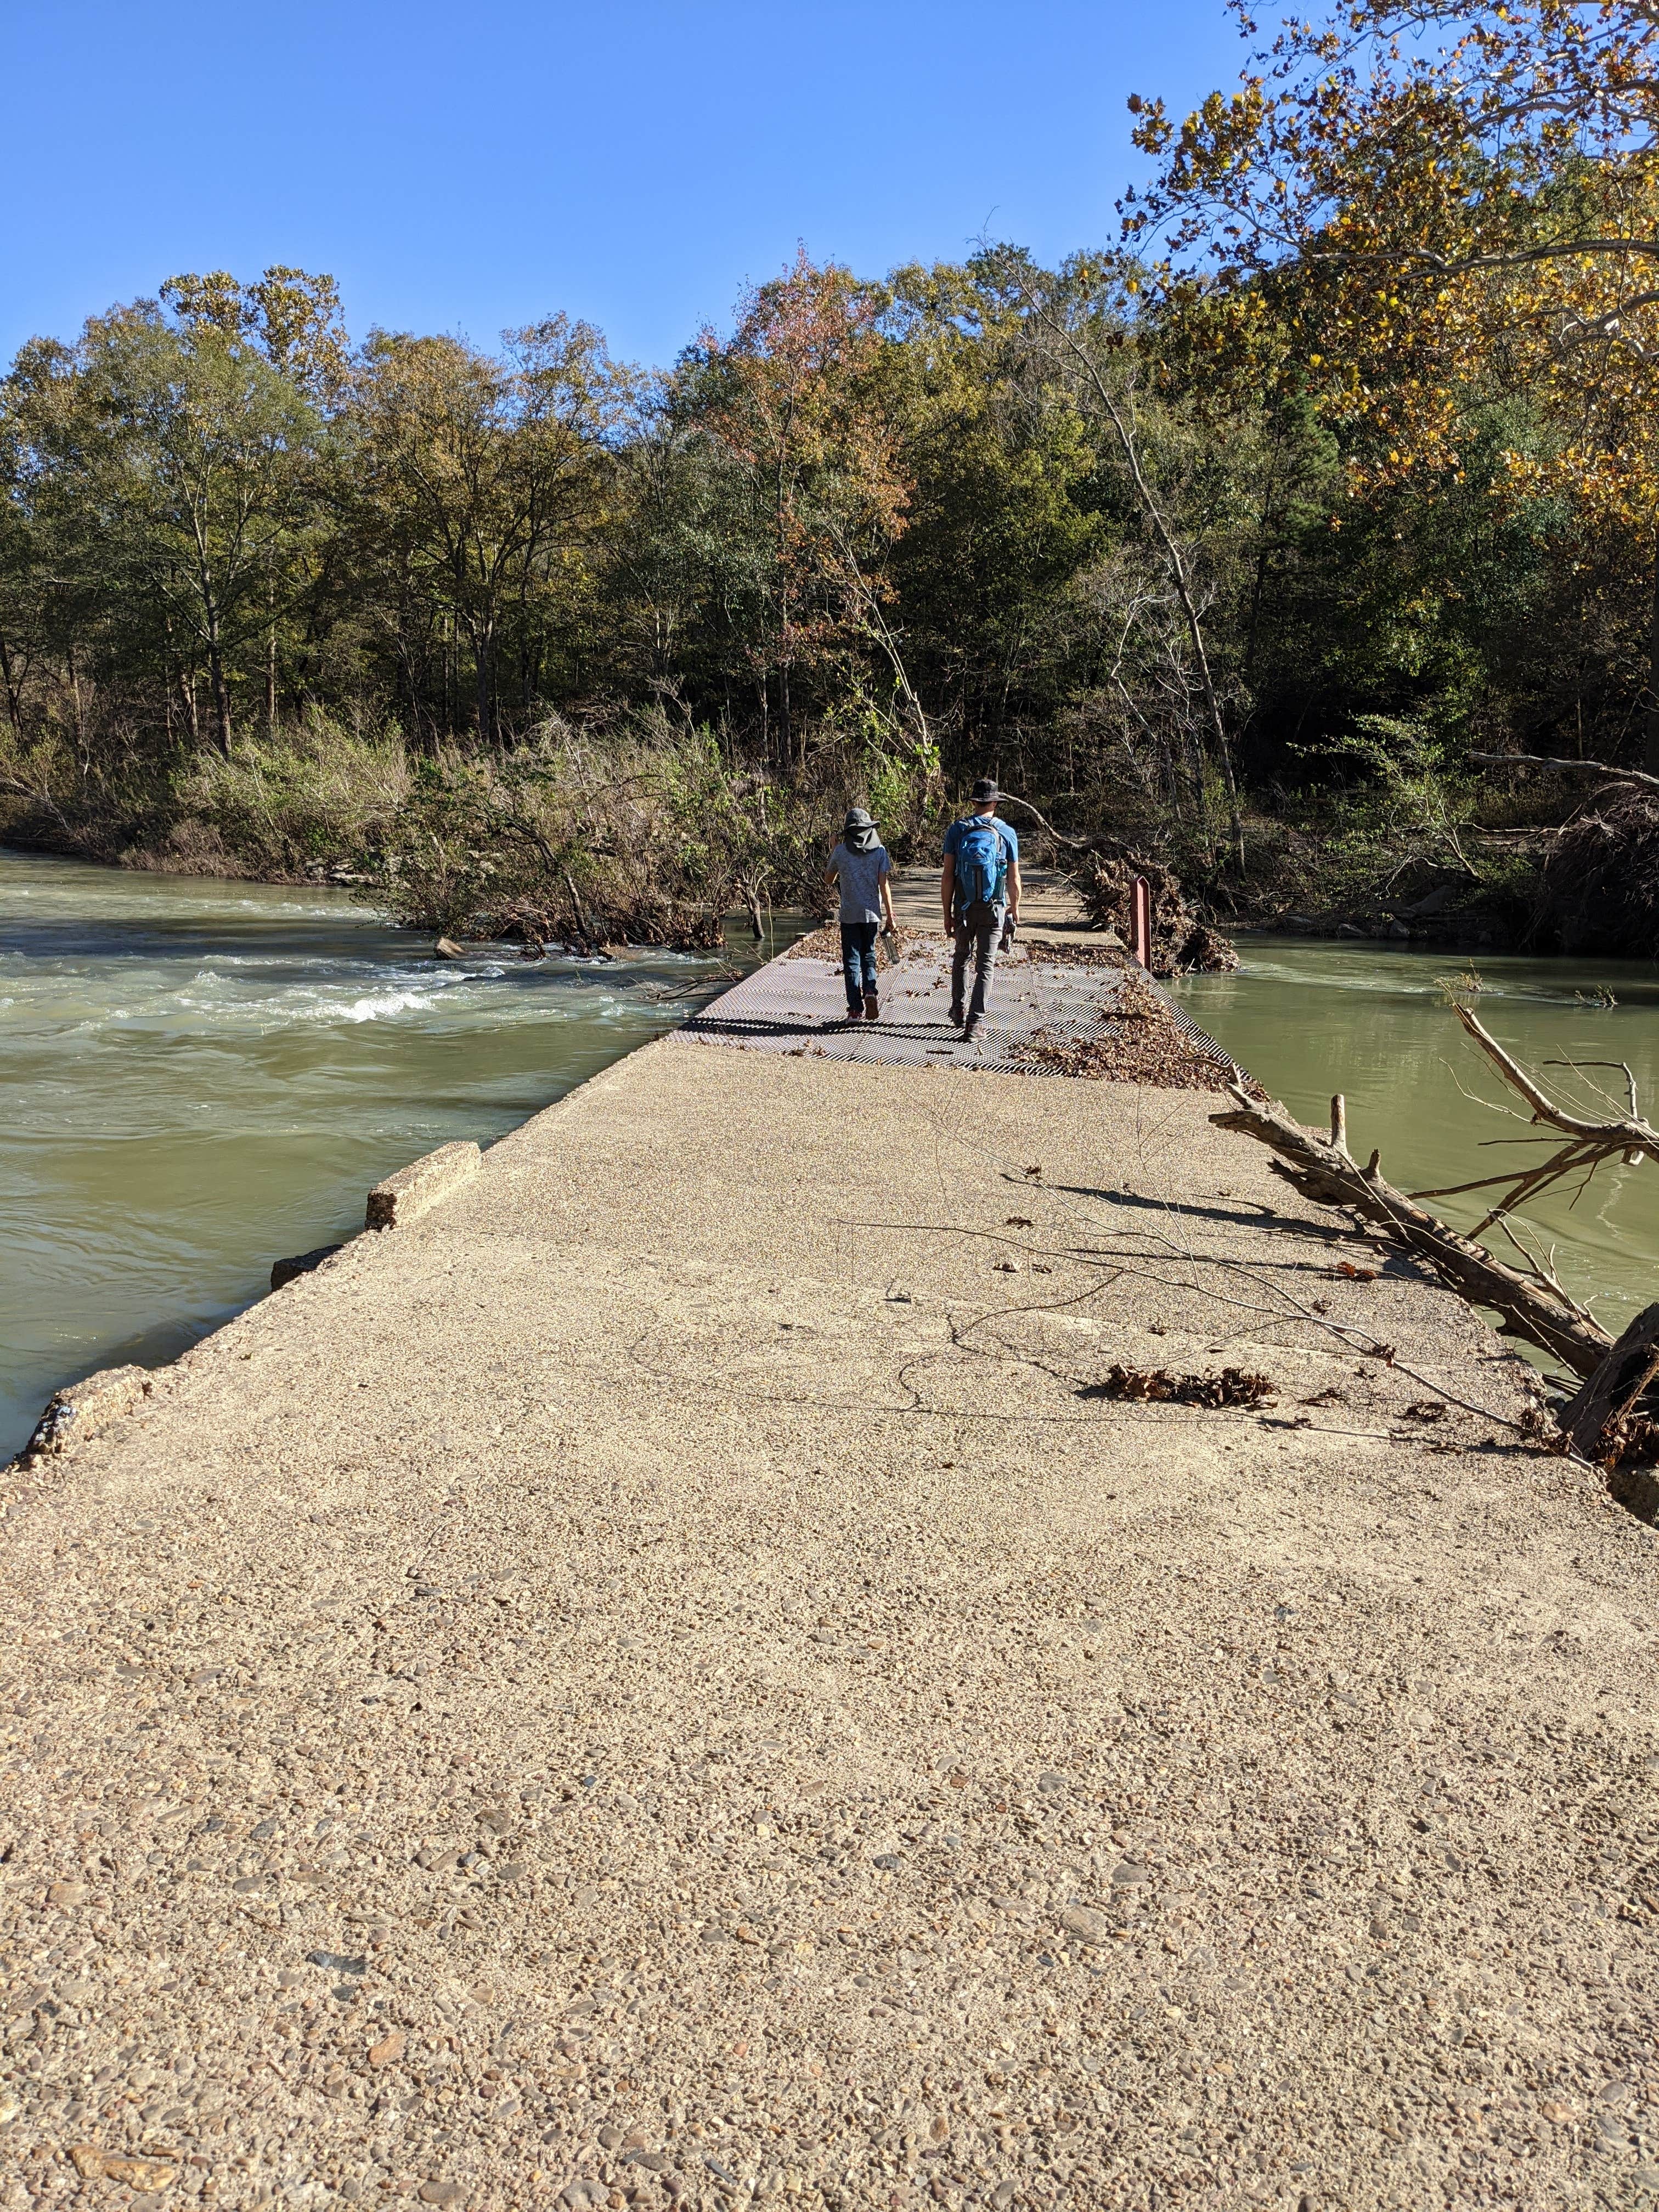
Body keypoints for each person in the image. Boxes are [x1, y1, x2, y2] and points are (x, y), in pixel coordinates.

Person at [941, 777, 1022, 1038]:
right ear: (996, 803)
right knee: (985, 965)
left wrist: (947, 914)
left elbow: (948, 875)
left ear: (974, 802)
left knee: (962, 957)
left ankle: (957, 1009)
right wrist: (1016, 907)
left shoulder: (957, 830)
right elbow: (1014, 878)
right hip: (994, 907)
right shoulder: (1007, 833)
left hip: (963, 907)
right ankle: (975, 1024)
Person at [825, 806, 895, 1020]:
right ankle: (871, 991)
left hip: (849, 914)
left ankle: (855, 1010)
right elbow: (884, 886)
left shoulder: (841, 852)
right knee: (869, 955)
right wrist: (891, 915)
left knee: (851, 961)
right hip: (872, 914)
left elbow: (828, 880)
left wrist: (833, 849)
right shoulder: (880, 851)